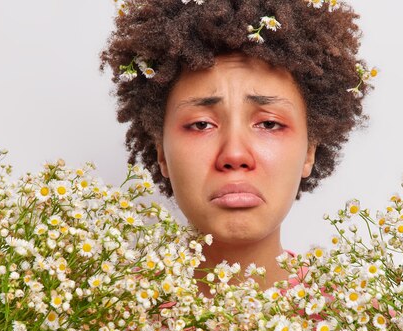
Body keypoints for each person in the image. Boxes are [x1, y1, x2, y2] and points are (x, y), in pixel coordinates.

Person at [100, 0, 370, 293]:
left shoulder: (366, 323)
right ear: (161, 152)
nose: (234, 155)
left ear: (309, 151)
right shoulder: (96, 324)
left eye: (268, 124)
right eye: (201, 124)